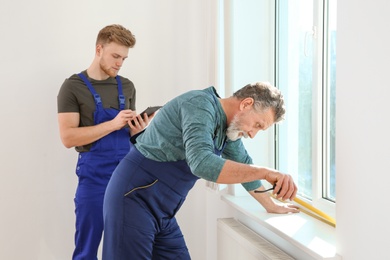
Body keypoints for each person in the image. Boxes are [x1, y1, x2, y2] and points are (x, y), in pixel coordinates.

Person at [102, 82, 300, 259]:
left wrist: (270, 204)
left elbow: (244, 163)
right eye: (257, 124)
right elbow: (202, 163)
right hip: (132, 199)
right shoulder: (199, 105)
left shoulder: (229, 128)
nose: (252, 133)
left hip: (162, 211)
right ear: (246, 104)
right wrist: (265, 172)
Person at [57, 24, 152, 260]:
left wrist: (137, 130)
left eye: (124, 58)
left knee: (127, 248)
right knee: (86, 250)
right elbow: (68, 138)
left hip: (127, 176)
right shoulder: (73, 87)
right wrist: (113, 124)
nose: (119, 63)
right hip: (94, 178)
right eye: (115, 56)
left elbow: (128, 136)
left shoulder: (127, 86)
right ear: (99, 49)